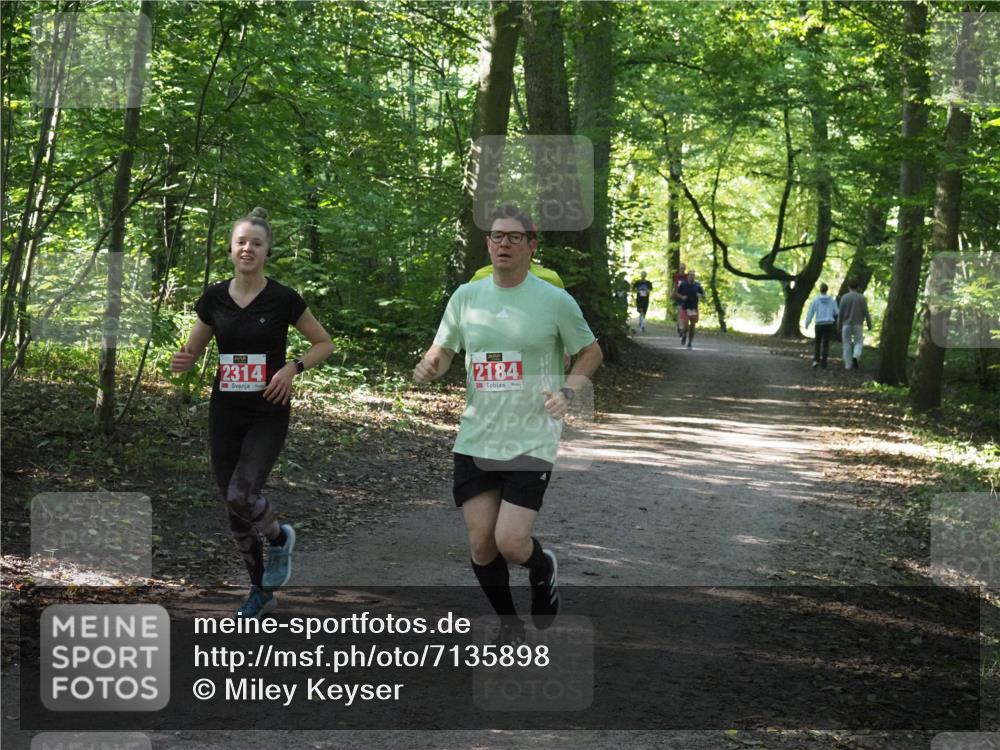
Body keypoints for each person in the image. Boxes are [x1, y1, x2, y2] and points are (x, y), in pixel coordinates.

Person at [414, 205, 602, 643]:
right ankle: (509, 626)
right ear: (488, 243)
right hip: (477, 434)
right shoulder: (466, 296)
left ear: (532, 246)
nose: (504, 243)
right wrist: (430, 366)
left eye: (515, 237)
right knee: (482, 544)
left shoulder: (554, 300)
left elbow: (591, 351)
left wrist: (568, 392)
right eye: (497, 236)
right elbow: (443, 348)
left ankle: (542, 566)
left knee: (512, 544)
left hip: (530, 434)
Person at [171, 208, 334, 618]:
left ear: (266, 251)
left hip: (268, 410)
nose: (248, 249)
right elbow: (195, 347)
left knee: (243, 494)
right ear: (231, 248)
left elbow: (323, 344)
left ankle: (279, 538)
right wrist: (184, 359)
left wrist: (292, 368)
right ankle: (259, 590)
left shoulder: (283, 298)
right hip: (225, 410)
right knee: (234, 507)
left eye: (256, 243)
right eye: (241, 242)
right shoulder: (213, 298)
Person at [838, 280, 873, 370]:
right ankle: (856, 356)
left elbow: (840, 313)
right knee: (859, 342)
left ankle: (848, 365)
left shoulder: (844, 297)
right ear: (857, 287)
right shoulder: (861, 298)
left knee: (846, 344)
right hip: (858, 324)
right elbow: (866, 312)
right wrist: (869, 323)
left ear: (848, 287)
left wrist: (838, 324)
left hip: (846, 324)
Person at [804, 282, 838, 369]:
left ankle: (816, 360)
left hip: (819, 324)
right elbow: (836, 312)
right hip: (829, 324)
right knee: (826, 343)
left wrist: (807, 323)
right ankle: (824, 363)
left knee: (818, 342)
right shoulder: (832, 301)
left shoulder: (816, 300)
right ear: (827, 290)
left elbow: (811, 312)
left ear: (820, 290)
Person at [673, 270, 706, 350]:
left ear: (694, 277)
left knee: (693, 326)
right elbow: (676, 293)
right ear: (687, 276)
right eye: (690, 275)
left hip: (694, 308)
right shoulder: (683, 284)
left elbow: (704, 295)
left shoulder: (697, 285)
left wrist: (701, 295)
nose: (691, 276)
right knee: (686, 327)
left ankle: (690, 343)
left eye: (693, 275)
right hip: (685, 307)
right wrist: (681, 297)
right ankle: (684, 335)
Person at [672, 262, 687, 339]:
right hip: (678, 296)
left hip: (686, 297)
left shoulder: (687, 276)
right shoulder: (676, 276)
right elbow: (674, 286)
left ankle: (681, 326)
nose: (682, 269)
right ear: (679, 269)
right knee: (680, 312)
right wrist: (673, 293)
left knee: (685, 313)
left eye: (683, 268)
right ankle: (681, 328)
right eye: (681, 268)